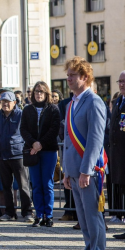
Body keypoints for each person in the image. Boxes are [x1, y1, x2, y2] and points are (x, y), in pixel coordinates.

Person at [62, 56, 106, 250]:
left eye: (73, 75)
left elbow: (96, 140)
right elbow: (67, 141)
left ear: (85, 77)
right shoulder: (71, 104)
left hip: (88, 171)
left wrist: (86, 171)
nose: (68, 79)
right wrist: (66, 171)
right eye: (68, 75)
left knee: (93, 217)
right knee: (84, 220)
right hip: (74, 171)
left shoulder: (94, 102)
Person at [20, 81, 60, 227]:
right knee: (36, 184)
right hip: (32, 151)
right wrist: (33, 144)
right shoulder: (27, 109)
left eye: (41, 91)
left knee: (47, 184)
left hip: (48, 150)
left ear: (46, 93)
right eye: (36, 91)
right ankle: (39, 214)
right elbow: (23, 129)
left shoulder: (53, 109)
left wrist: (40, 143)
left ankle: (48, 216)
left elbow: (54, 130)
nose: (38, 94)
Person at [0, 91, 33, 222]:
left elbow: (27, 132)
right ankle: (9, 212)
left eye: (7, 102)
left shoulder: (21, 115)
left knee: (23, 185)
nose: (4, 104)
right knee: (6, 186)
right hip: (3, 155)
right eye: (2, 102)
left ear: (14, 103)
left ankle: (27, 212)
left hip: (18, 154)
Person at [110, 71, 125, 240]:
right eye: (119, 81)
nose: (121, 84)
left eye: (124, 81)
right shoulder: (118, 101)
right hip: (118, 155)